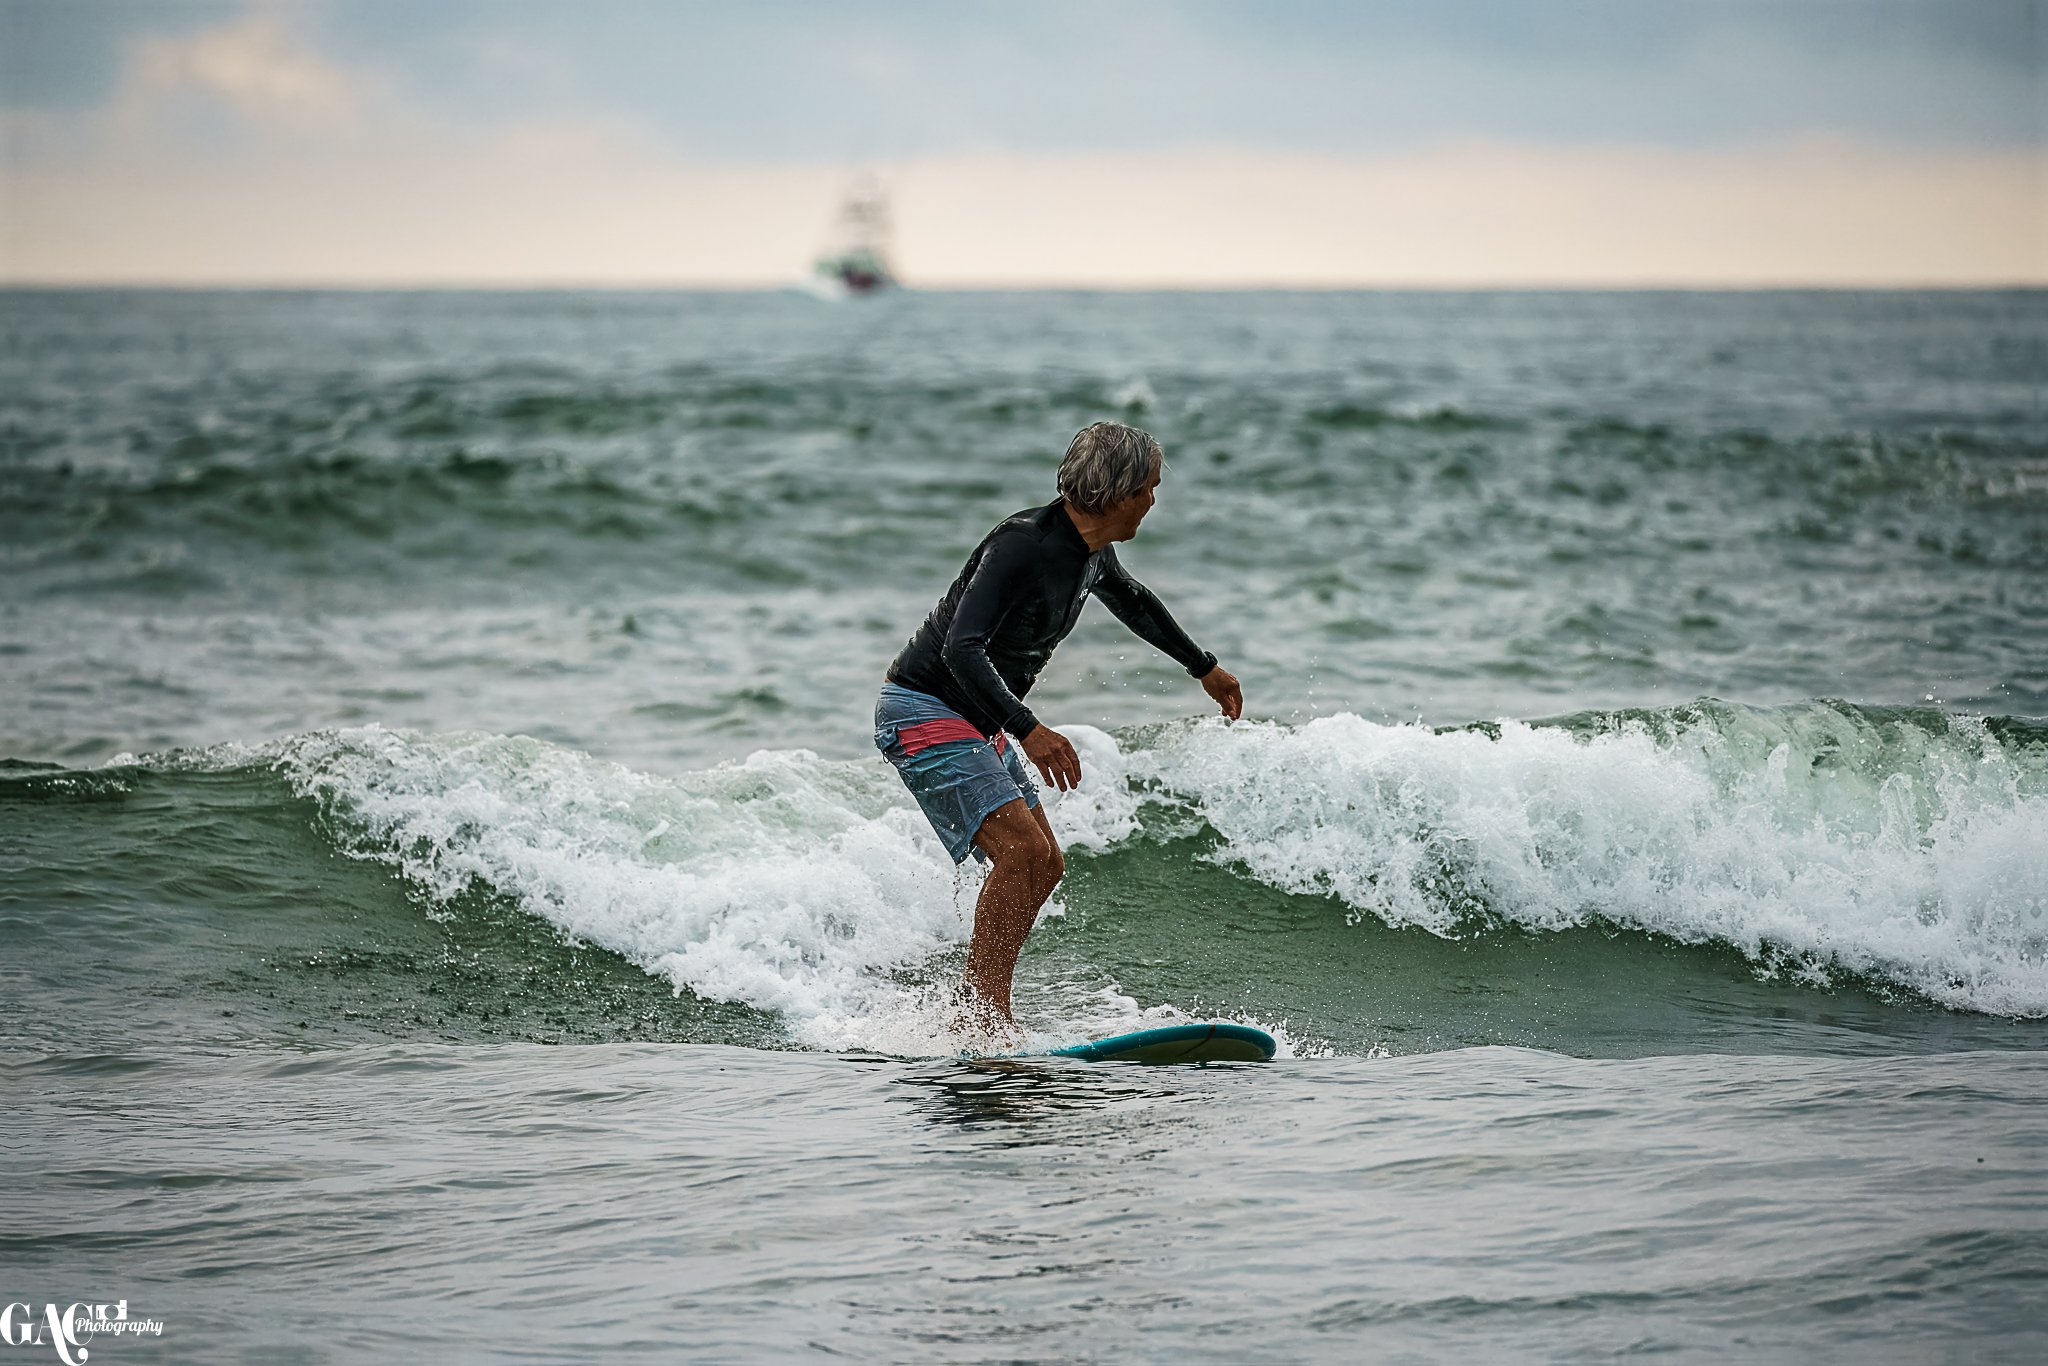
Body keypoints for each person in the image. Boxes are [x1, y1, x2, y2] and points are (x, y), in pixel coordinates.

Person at [874, 420, 1243, 1037]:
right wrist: (1030, 731)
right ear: (1118, 492)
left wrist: (1203, 666)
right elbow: (962, 649)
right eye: (1149, 487)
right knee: (1021, 852)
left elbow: (1133, 599)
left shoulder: (1091, 551)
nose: (1153, 499)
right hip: (924, 707)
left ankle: (977, 1004)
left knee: (1044, 864)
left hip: (976, 717)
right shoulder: (1021, 545)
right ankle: (984, 1018)